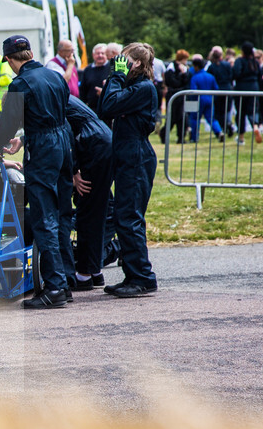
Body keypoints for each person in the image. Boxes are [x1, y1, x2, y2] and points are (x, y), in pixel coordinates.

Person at [0, 35, 73, 309]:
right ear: (31, 52)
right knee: (61, 213)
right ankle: (65, 280)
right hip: (63, 142)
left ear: (10, 60)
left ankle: (56, 287)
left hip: (43, 148)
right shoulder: (55, 76)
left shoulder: (20, 84)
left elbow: (6, 124)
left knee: (43, 216)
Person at [97, 43, 159, 298]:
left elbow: (110, 106)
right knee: (125, 217)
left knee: (129, 217)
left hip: (136, 156)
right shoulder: (133, 87)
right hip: (128, 155)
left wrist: (116, 77)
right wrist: (117, 78)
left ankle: (143, 277)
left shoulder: (143, 88)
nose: (117, 65)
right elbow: (104, 108)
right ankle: (133, 275)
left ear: (136, 64)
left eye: (123, 61)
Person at [66, 95, 113, 291]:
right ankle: (94, 271)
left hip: (92, 144)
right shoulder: (58, 92)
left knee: (87, 210)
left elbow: (66, 133)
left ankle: (84, 274)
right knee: (96, 208)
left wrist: (75, 170)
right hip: (101, 139)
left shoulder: (44, 98)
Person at [233, 41, 263, 145]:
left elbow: (235, 74)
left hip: (241, 89)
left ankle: (241, 137)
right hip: (254, 88)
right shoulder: (255, 62)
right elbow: (260, 76)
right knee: (253, 111)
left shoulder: (239, 61)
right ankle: (255, 126)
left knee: (241, 113)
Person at [187, 57, 225, 143]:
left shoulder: (195, 77)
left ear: (196, 66)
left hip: (199, 99)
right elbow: (216, 89)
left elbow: (193, 91)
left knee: (195, 119)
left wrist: (192, 101)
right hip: (209, 98)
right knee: (211, 118)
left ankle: (194, 138)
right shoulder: (211, 76)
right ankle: (219, 132)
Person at [161, 50, 190, 144]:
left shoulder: (184, 69)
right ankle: (163, 135)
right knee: (172, 117)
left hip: (180, 95)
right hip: (173, 95)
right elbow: (173, 82)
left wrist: (183, 73)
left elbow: (186, 81)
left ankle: (181, 138)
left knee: (181, 117)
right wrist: (182, 74)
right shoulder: (171, 68)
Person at [207, 46, 234, 136]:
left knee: (218, 112)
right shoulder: (227, 65)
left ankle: (224, 126)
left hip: (217, 90)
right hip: (227, 89)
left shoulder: (211, 67)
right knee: (227, 110)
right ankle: (228, 124)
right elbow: (231, 76)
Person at [79, 43, 109, 111]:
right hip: (91, 108)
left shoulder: (112, 68)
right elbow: (83, 89)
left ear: (106, 55)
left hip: (108, 109)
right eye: (98, 53)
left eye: (102, 53)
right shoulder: (88, 69)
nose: (100, 55)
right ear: (93, 55)